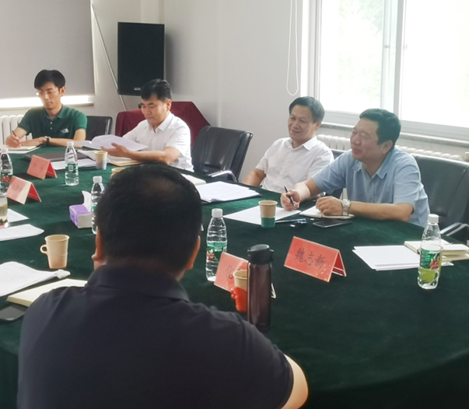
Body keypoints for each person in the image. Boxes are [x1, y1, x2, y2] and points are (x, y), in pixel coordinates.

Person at [18, 165, 308, 409]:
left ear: (99, 242)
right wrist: (252, 346)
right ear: (194, 253)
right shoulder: (225, 338)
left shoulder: (45, 310)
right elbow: (296, 388)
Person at [281, 109, 429, 227]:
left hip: (408, 239)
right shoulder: (349, 159)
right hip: (368, 230)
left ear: (386, 146)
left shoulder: (404, 165)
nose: (355, 141)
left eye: (364, 136)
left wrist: (346, 206)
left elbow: (402, 212)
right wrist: (297, 194)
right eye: (354, 133)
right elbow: (308, 186)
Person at [242, 97, 333, 193]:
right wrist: (242, 191)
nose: (295, 125)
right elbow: (257, 174)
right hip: (263, 198)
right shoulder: (279, 144)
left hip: (292, 201)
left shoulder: (322, 154)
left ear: (317, 125)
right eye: (292, 118)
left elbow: (313, 191)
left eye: (302, 121)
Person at [104, 79, 193, 171]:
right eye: (143, 106)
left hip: (179, 176)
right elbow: (121, 144)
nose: (146, 112)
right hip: (152, 174)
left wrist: (128, 154)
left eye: (151, 106)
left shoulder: (179, 128)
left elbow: (166, 157)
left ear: (168, 104)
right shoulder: (143, 125)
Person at [5, 69, 87, 148]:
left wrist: (44, 140)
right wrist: (11, 140)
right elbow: (15, 137)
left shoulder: (77, 116)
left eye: (50, 92)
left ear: (62, 91)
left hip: (65, 156)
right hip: (38, 157)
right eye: (41, 93)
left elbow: (79, 143)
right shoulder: (32, 114)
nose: (45, 97)